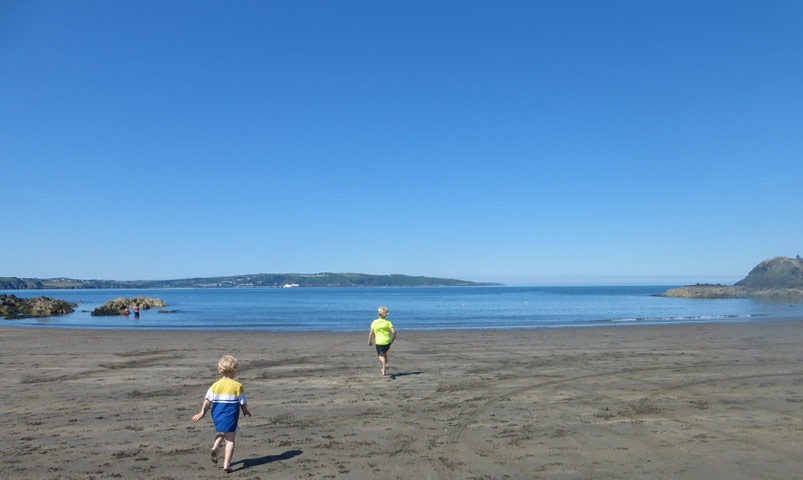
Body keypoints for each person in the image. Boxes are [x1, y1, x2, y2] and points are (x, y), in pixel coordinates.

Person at [192, 355, 252, 473]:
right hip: (230, 415)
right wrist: (245, 411)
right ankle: (227, 464)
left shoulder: (216, 385)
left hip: (217, 415)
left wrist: (201, 413)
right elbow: (243, 402)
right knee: (230, 439)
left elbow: (207, 400)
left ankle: (215, 446)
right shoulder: (237, 385)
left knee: (221, 432)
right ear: (234, 369)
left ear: (220, 370)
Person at [368, 306, 396, 376]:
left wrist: (370, 341)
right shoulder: (388, 322)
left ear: (378, 314)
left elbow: (371, 333)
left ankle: (383, 363)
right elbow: (393, 331)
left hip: (379, 342)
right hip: (387, 342)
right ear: (386, 315)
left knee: (380, 356)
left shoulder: (374, 322)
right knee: (385, 353)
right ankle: (384, 368)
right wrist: (394, 338)